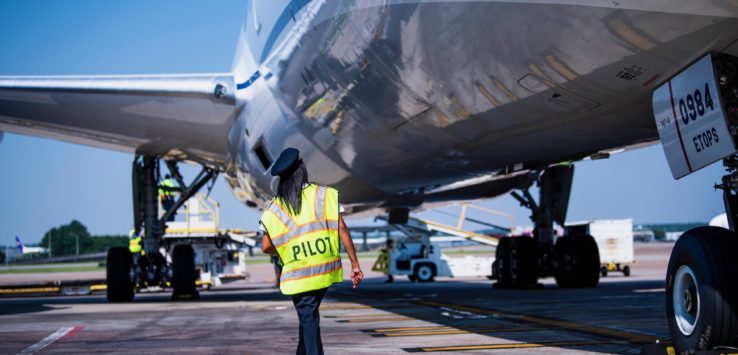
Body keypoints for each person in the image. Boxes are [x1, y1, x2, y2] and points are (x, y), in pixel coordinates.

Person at [260, 147, 363, 355]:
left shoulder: (274, 209)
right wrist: (355, 264)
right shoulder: (324, 195)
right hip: (323, 272)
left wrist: (284, 251)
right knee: (308, 318)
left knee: (308, 319)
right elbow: (341, 228)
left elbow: (266, 246)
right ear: (301, 170)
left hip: (298, 275)